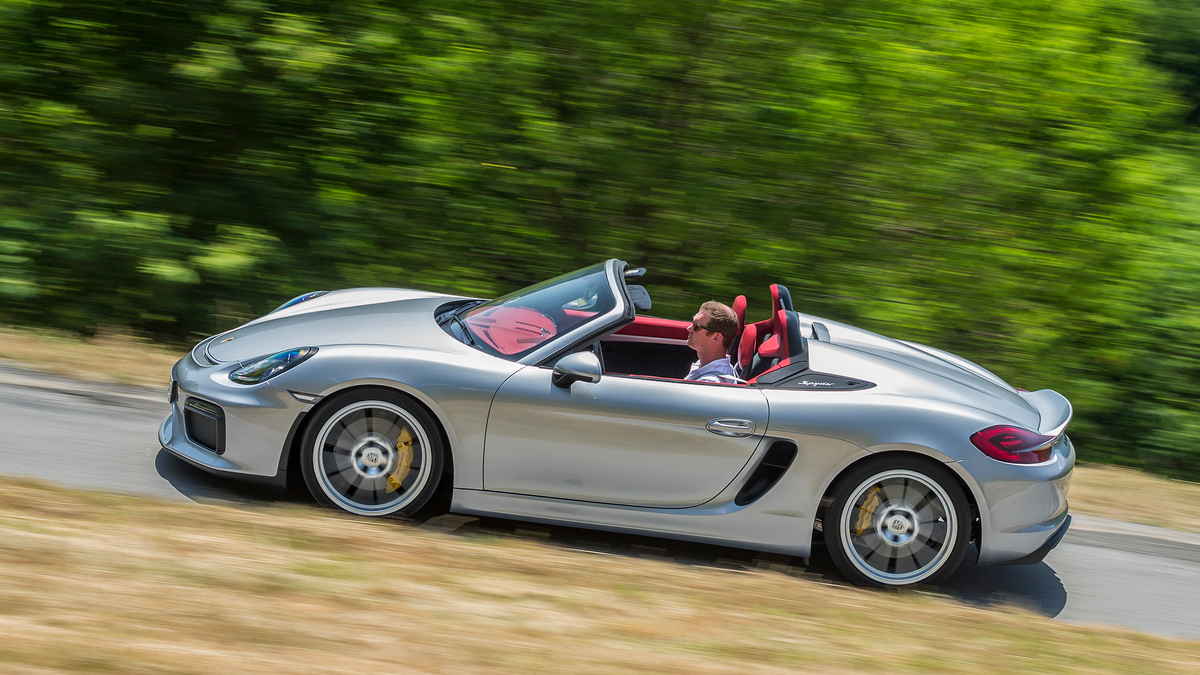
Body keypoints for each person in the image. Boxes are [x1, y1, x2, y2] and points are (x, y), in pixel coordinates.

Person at [685, 301, 739, 383]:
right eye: (693, 322)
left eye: (697, 326)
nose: (689, 328)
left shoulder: (710, 382)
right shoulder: (706, 363)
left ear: (716, 337)